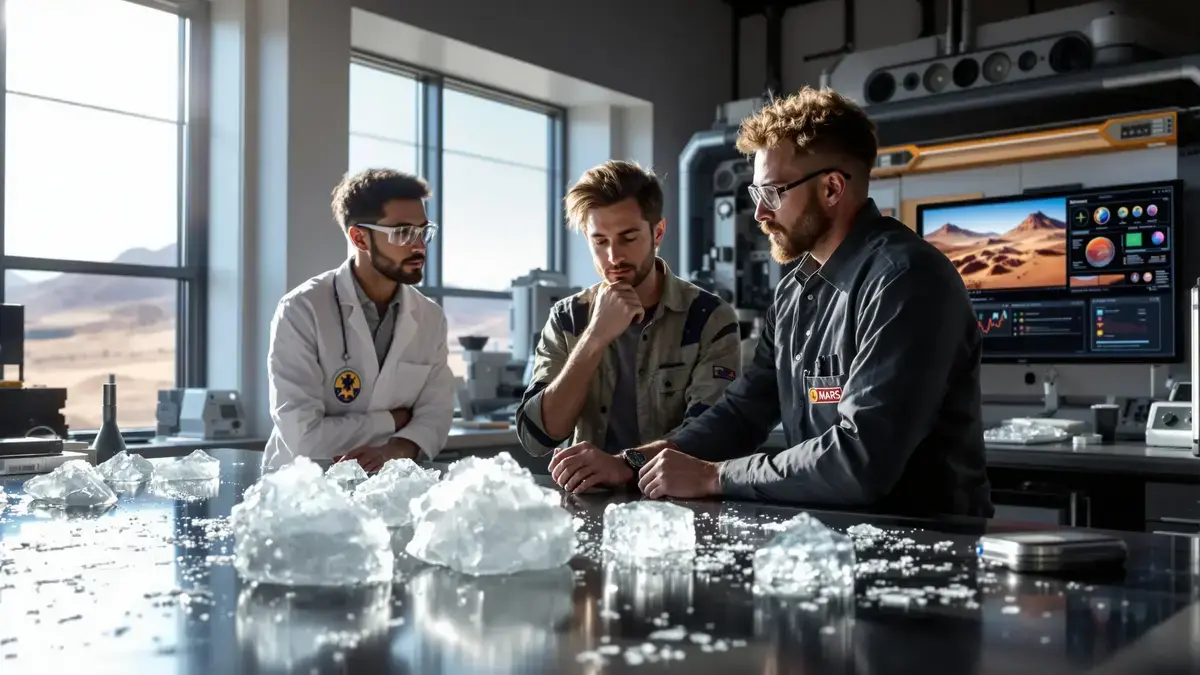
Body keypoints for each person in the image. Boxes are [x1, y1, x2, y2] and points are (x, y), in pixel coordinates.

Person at [576, 89, 993, 517]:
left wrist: (712, 477)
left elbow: (860, 460)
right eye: (757, 195)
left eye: (772, 194)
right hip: (829, 539)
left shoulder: (905, 281)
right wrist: (633, 464)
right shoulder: (795, 290)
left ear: (832, 188)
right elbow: (743, 411)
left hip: (929, 547)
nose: (759, 214)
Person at [515, 160, 741, 492]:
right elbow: (536, 436)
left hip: (678, 509)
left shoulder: (709, 317)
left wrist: (625, 463)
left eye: (628, 237)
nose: (613, 256)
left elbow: (712, 436)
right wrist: (595, 337)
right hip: (584, 508)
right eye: (600, 241)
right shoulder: (568, 318)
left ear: (657, 233)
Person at [263, 168, 455, 471]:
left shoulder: (430, 317)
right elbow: (302, 435)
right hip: (304, 490)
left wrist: (396, 448)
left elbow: (438, 415)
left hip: (389, 488)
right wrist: (393, 419)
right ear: (360, 238)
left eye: (423, 231)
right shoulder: (303, 309)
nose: (419, 246)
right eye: (403, 232)